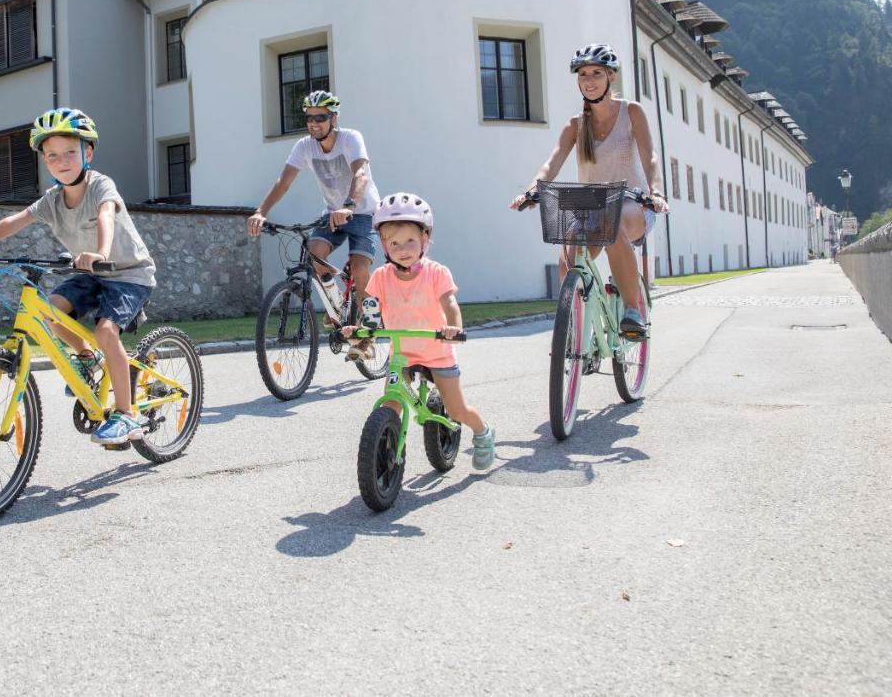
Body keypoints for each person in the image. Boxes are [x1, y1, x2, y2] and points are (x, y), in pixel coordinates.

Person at [0, 107, 157, 447]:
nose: (62, 161)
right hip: (89, 273)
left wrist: (101, 254)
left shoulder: (100, 185)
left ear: (87, 152)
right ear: (45, 161)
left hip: (129, 274)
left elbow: (106, 216)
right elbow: (13, 222)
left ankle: (126, 414)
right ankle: (87, 359)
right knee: (50, 312)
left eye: (70, 152)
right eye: (52, 155)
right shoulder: (52, 200)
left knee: (106, 330)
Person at [509, 44, 669, 336]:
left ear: (611, 77)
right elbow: (551, 163)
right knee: (567, 257)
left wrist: (656, 192)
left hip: (633, 205)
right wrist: (531, 191)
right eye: (583, 74)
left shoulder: (632, 112)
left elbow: (651, 157)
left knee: (614, 222)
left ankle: (632, 311)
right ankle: (580, 331)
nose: (590, 79)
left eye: (597, 73)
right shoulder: (576, 125)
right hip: (594, 208)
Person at [343, 193, 495, 471]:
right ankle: (384, 450)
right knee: (391, 403)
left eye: (410, 241)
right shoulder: (381, 277)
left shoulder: (437, 273)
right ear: (385, 246)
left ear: (424, 239)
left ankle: (483, 431)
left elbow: (449, 303)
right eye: (394, 243)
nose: (403, 249)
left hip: (437, 352)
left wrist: (454, 327)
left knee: (457, 410)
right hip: (402, 353)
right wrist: (362, 332)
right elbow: (371, 313)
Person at [246, 90, 381, 359]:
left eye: (320, 117)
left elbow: (361, 173)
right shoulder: (304, 146)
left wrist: (349, 205)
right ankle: (337, 310)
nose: (313, 123)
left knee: (359, 265)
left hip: (362, 212)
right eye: (308, 118)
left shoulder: (350, 139)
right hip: (332, 213)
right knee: (315, 254)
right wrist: (261, 211)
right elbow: (283, 183)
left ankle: (368, 332)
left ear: (333, 118)